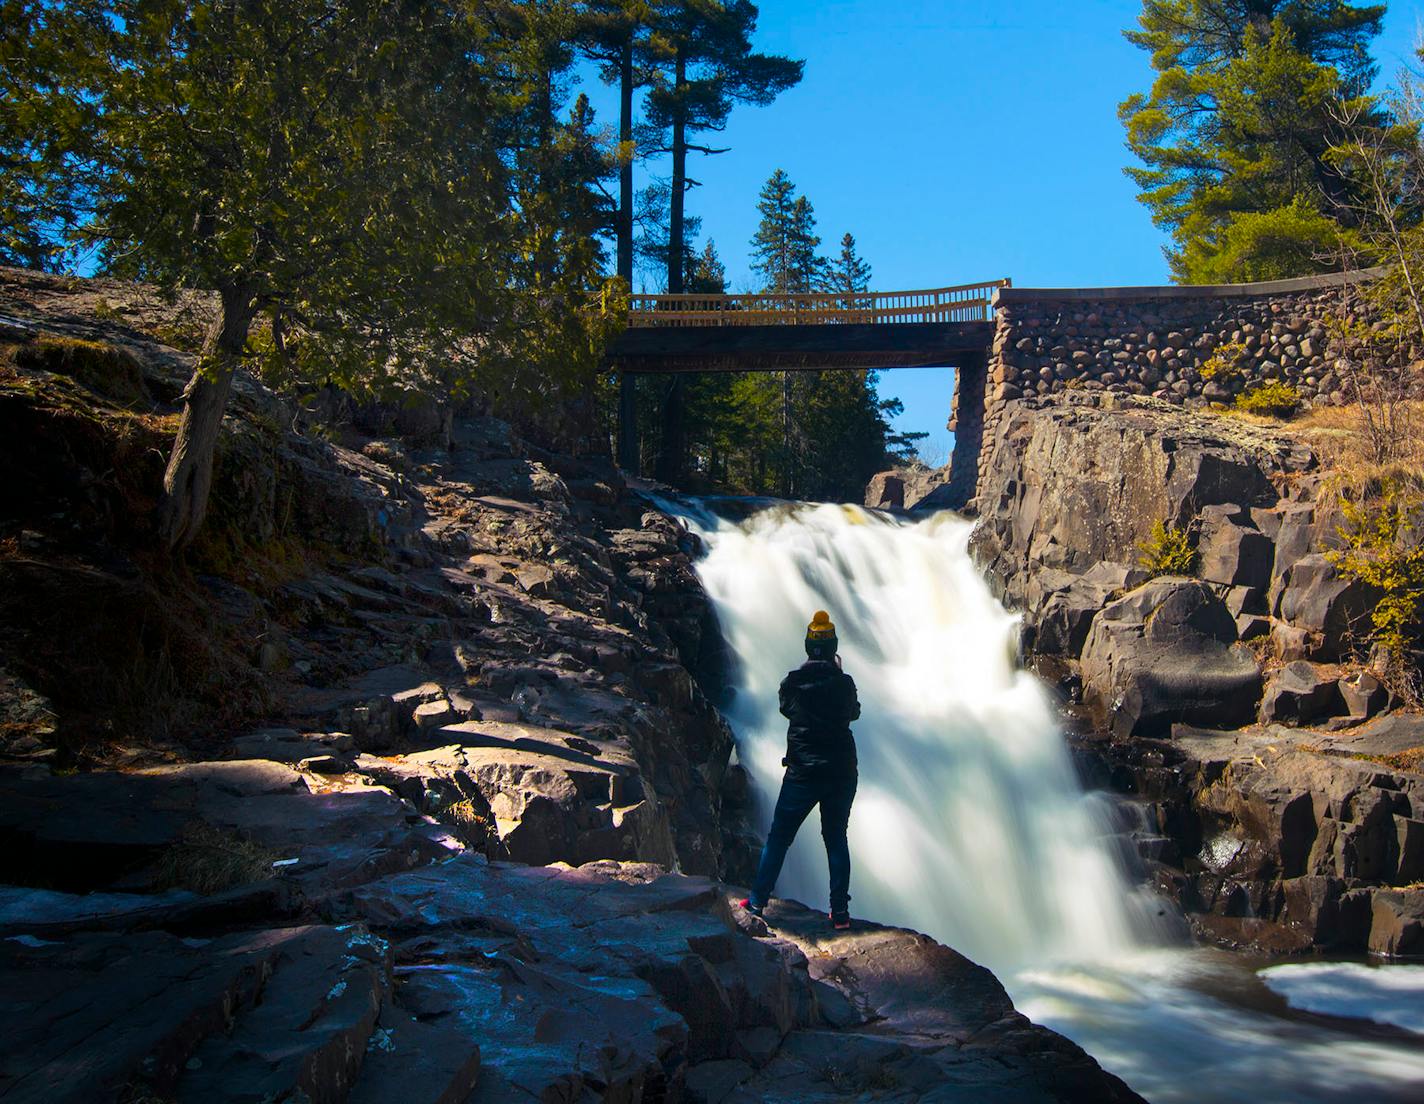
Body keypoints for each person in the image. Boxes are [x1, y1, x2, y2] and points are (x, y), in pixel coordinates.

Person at [740, 610, 861, 930]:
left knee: (780, 837)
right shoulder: (844, 684)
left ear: (808, 647)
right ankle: (840, 914)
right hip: (841, 771)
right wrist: (837, 675)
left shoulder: (793, 682)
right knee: (836, 837)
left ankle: (756, 901)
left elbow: (785, 708)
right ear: (833, 647)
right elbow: (854, 713)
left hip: (803, 772)